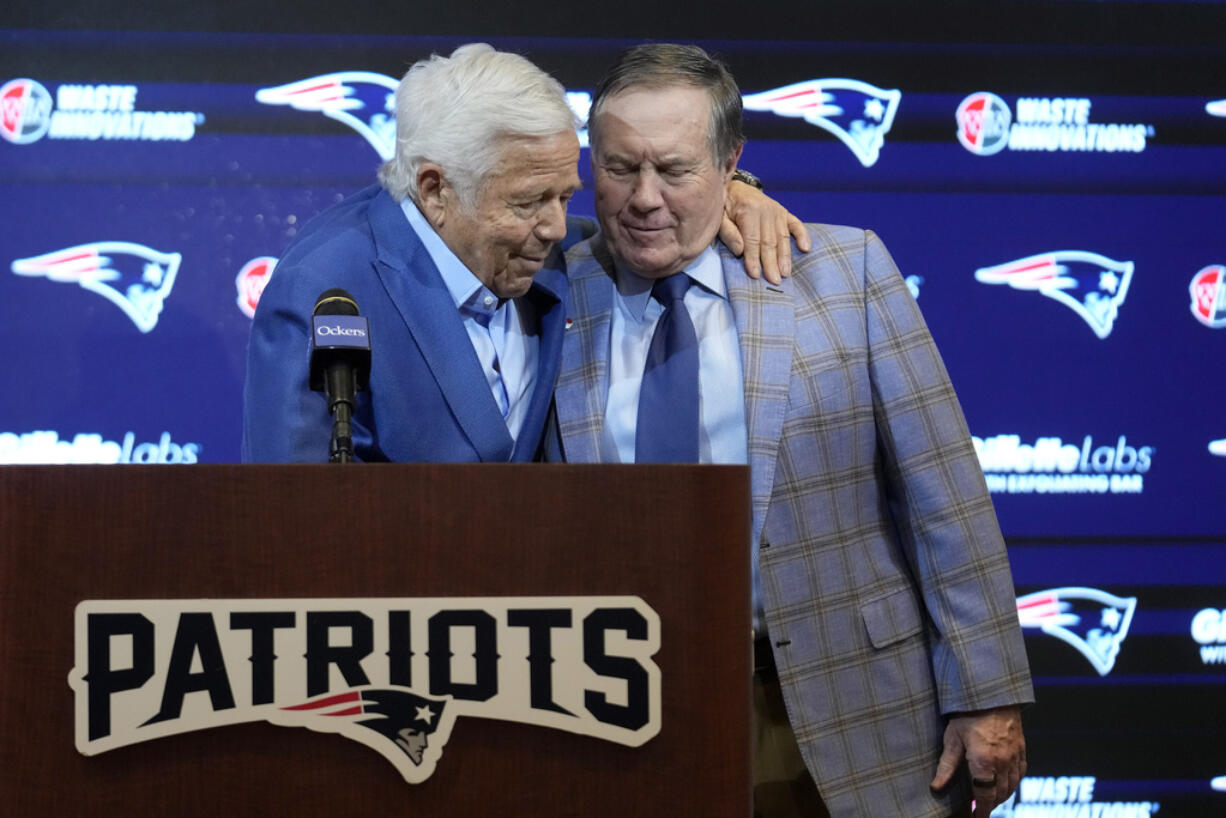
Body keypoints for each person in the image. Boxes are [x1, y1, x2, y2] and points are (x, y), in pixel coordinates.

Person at [547, 43, 1034, 818]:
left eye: (674, 170)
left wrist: (988, 691)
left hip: (843, 708)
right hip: (616, 714)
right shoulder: (545, 289)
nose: (643, 199)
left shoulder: (844, 272)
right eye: (618, 167)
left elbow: (945, 496)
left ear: (731, 163)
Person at [242, 43, 806, 463]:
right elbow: (287, 515)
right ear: (436, 189)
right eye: (529, 202)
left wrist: (737, 190)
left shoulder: (557, 251)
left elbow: (663, 215)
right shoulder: (326, 287)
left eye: (564, 195)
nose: (556, 227)